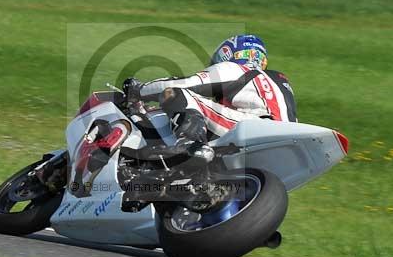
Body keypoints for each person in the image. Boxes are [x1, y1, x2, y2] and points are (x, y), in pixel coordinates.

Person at [124, 34, 297, 163]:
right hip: (285, 141)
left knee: (177, 93)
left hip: (255, 129)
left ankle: (189, 143)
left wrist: (138, 90)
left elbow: (187, 84)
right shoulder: (278, 83)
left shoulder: (235, 69)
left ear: (228, 55)